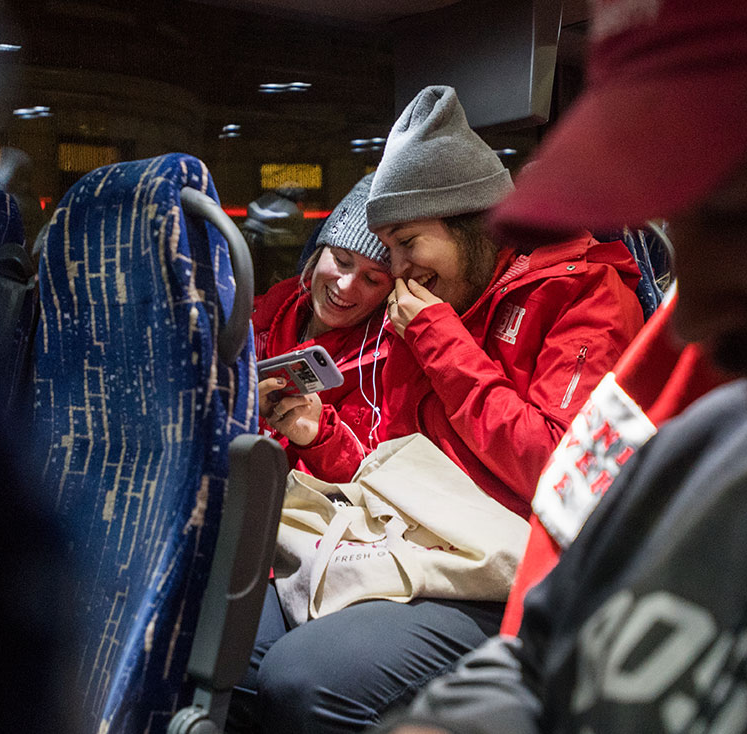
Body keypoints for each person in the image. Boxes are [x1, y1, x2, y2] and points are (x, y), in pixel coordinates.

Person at [374, 1, 747, 732]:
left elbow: (536, 457)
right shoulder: (703, 444)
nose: (690, 321)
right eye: (678, 228)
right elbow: (538, 652)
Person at [235, 85, 645, 732]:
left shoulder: (582, 296)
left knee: (300, 677)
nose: (397, 270)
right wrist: (320, 437)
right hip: (407, 540)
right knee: (229, 637)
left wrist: (439, 342)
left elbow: (559, 474)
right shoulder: (436, 303)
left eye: (405, 244)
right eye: (386, 250)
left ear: (470, 223)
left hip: (504, 568)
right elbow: (396, 463)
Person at [254, 172, 394, 468]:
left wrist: (319, 437)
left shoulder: (382, 368)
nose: (345, 285)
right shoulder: (257, 319)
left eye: (371, 279)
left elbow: (374, 481)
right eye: (341, 261)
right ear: (318, 254)